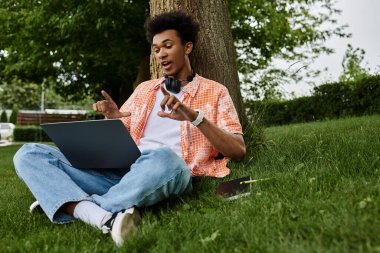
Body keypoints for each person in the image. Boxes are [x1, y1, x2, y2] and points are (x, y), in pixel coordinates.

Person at [13, 10, 246, 247]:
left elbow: (238, 149)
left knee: (163, 155)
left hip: (167, 170)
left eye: (167, 46)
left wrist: (194, 117)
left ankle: (67, 202)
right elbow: (117, 143)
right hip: (122, 173)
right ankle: (102, 214)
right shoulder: (145, 89)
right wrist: (112, 119)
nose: (161, 54)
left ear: (187, 47)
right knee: (28, 153)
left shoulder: (215, 92)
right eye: (156, 49)